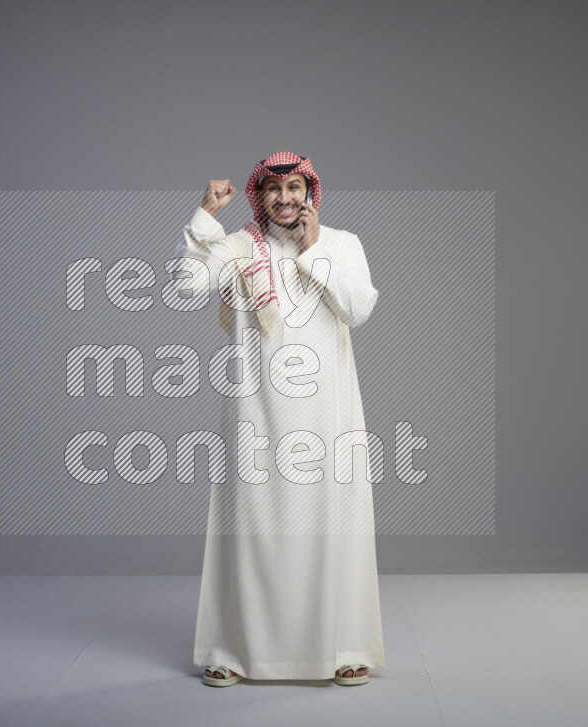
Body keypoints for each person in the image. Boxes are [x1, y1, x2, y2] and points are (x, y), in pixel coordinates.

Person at [171, 151, 385, 687]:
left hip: (328, 414)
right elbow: (185, 284)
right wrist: (205, 217)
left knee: (330, 525)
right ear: (259, 196)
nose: (284, 198)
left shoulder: (341, 243)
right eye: (273, 189)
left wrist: (313, 252)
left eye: (294, 187)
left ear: (310, 192)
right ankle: (234, 649)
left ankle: (342, 646)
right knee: (251, 527)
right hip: (255, 411)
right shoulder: (240, 246)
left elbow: (358, 309)